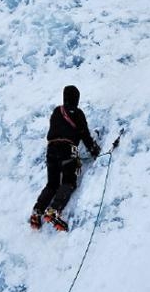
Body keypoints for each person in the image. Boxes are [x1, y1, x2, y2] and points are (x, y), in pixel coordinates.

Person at [30, 85, 101, 231]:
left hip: (51, 149)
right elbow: (85, 135)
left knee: (52, 184)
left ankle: (37, 212)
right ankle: (54, 210)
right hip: (67, 149)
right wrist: (95, 151)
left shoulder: (57, 112)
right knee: (69, 181)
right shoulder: (78, 114)